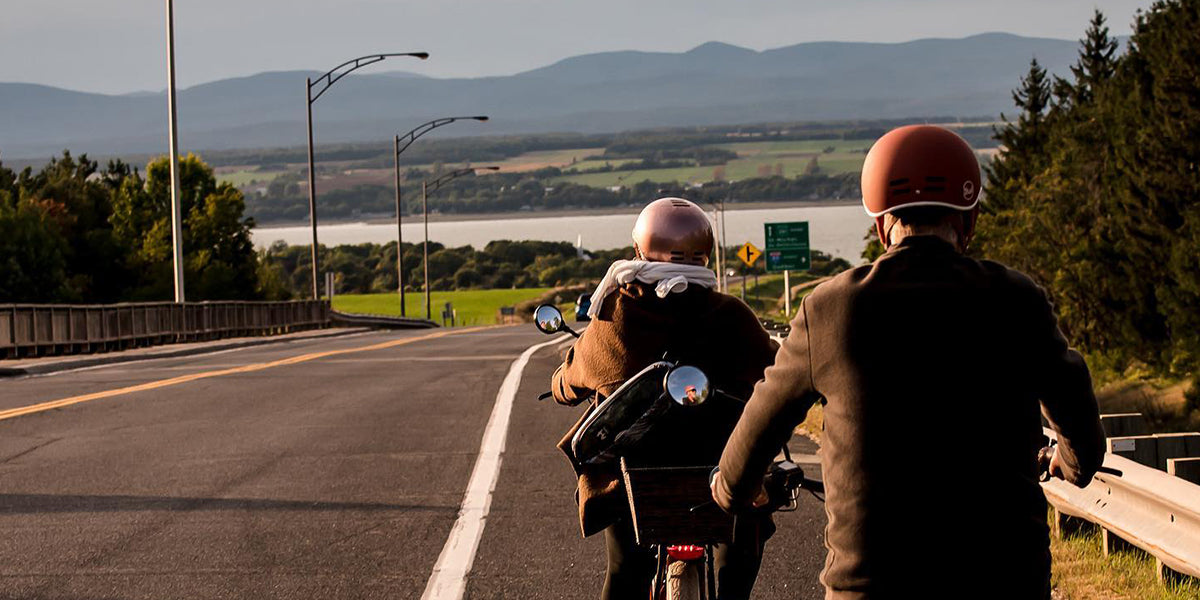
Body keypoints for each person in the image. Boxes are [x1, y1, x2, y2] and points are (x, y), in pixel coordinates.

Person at [711, 125, 1106, 599]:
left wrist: (732, 490)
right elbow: (1081, 431)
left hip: (871, 586)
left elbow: (758, 430)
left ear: (881, 226)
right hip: (1004, 580)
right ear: (969, 220)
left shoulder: (829, 309)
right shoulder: (1016, 299)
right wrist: (1066, 461)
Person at [551, 197, 779, 600]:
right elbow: (777, 374)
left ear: (640, 249)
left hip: (635, 480)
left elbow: (573, 379)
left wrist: (561, 384)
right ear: (705, 255)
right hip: (722, 471)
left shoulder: (617, 315)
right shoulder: (733, 315)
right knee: (743, 541)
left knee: (624, 572)